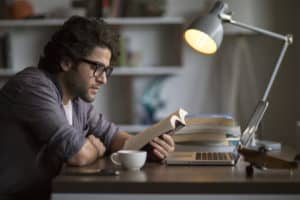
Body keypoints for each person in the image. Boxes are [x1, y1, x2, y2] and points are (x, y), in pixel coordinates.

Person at [0, 16, 175, 200]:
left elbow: (114, 137)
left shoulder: (77, 101)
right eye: (97, 68)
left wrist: (148, 148)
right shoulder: (32, 87)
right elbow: (78, 154)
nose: (103, 79)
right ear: (66, 62)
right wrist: (95, 149)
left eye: (107, 71)